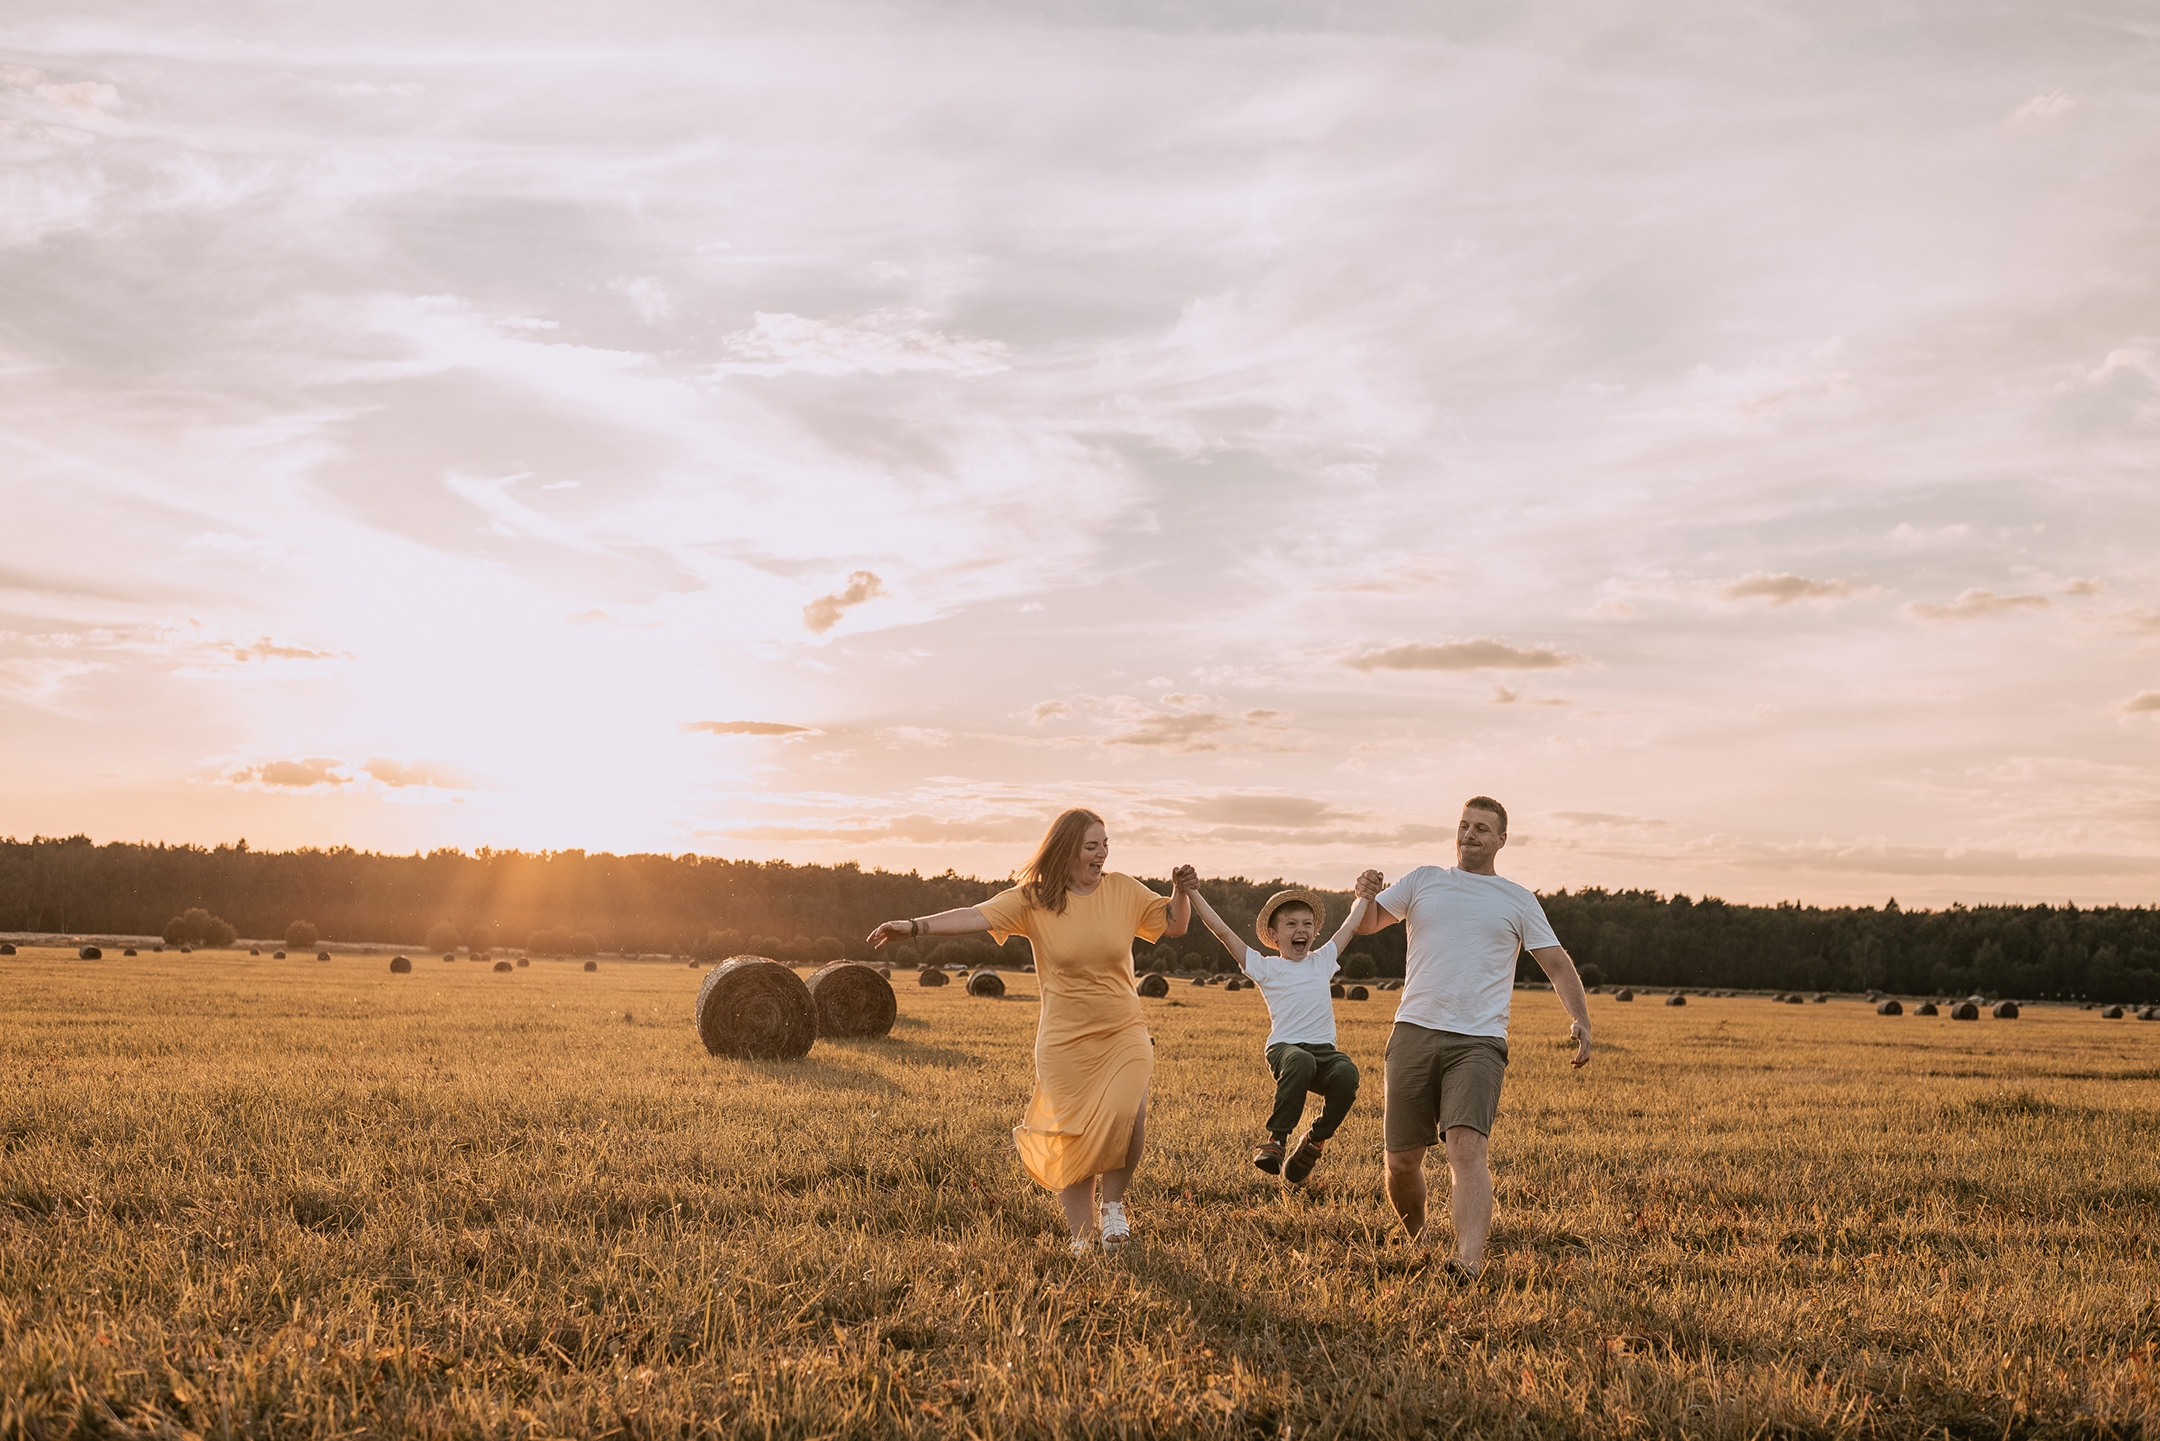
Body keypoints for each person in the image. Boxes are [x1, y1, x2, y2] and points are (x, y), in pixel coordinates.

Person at [867, 808, 1189, 1253]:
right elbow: (975, 915)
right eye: (1091, 846)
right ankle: (1081, 1237)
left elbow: (1175, 924)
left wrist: (1179, 891)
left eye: (1105, 844)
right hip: (1064, 1039)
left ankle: (1113, 1208)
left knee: (1126, 1114)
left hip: (1123, 1030)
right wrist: (914, 927)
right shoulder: (1034, 899)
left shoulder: (1123, 889)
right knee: (1073, 1132)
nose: (1102, 854)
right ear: (1067, 849)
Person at [1354, 795, 1592, 1281]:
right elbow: (1369, 924)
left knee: (1466, 1149)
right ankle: (1417, 1236)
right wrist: (1361, 895)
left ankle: (1467, 1262)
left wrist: (1580, 1018)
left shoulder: (1517, 899)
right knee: (1402, 1161)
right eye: (1464, 825)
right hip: (1413, 1031)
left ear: (1501, 839)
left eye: (1482, 828)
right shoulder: (1424, 880)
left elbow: (1555, 963)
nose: (1469, 835)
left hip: (1479, 1041)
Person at [1173, 867, 1376, 1186]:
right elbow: (1223, 931)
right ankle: (1276, 1141)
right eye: (1291, 924)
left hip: (1325, 1052)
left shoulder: (1322, 961)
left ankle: (1314, 1142)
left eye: (1307, 924)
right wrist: (1192, 892)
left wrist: (1365, 896)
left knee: (1348, 1073)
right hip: (1286, 1049)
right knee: (1300, 1060)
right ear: (1273, 935)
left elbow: (1350, 926)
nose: (1301, 929)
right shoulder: (1265, 967)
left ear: (1315, 932)